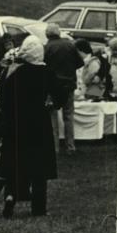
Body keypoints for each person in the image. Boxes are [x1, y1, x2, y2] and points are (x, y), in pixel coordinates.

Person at [0, 35, 57, 217]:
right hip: (39, 125)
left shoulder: (17, 74)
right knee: (39, 169)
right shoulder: (47, 73)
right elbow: (59, 94)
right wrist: (51, 104)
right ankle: (39, 207)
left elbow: (1, 97)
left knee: (16, 164)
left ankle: (11, 196)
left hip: (17, 124)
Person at [43, 23, 83, 155]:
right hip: (69, 85)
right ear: (59, 33)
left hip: (52, 86)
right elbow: (80, 62)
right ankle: (70, 146)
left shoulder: (47, 47)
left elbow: (43, 66)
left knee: (52, 117)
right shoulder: (69, 45)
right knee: (68, 116)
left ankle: (54, 147)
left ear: (47, 34)